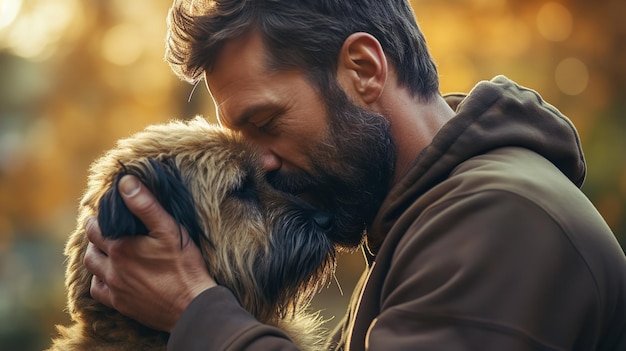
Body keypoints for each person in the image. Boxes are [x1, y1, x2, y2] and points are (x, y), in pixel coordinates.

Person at [83, 0, 626, 350]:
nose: (264, 163)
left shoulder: (500, 217)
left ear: (363, 70)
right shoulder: (416, 226)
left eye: (267, 122)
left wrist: (194, 311)